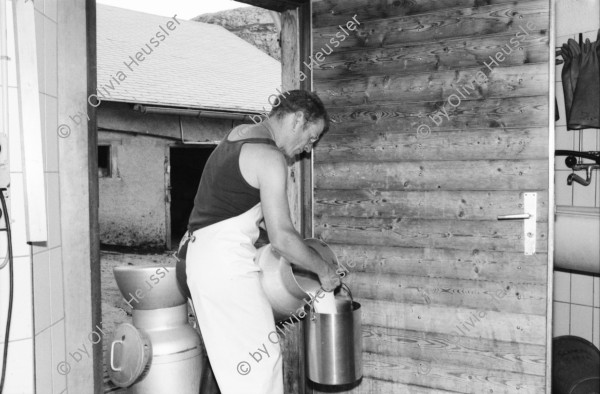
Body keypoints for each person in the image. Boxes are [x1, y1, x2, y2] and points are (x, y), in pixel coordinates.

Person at [181, 90, 341, 394]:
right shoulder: (270, 158)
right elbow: (282, 238)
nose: (308, 149)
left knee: (232, 365)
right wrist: (323, 270)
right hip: (224, 265)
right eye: (311, 137)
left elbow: (260, 222)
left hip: (202, 259)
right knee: (260, 365)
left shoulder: (238, 136)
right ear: (297, 119)